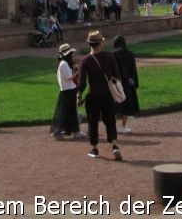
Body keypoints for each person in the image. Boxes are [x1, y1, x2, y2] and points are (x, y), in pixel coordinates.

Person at [78, 30, 123, 160]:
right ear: (100, 43)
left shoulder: (86, 60)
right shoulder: (109, 56)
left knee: (93, 123)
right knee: (110, 120)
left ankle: (95, 148)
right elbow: (116, 75)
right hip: (107, 94)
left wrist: (79, 95)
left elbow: (82, 83)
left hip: (93, 95)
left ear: (90, 44)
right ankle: (115, 146)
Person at [50, 43, 83, 139]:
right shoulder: (64, 64)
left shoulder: (62, 63)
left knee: (67, 112)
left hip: (66, 91)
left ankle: (67, 130)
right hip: (69, 91)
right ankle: (74, 131)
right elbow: (69, 78)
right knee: (70, 112)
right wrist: (78, 71)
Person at [112, 35, 139, 133]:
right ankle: (123, 126)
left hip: (115, 82)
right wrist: (135, 83)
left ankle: (112, 126)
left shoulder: (112, 54)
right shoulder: (130, 54)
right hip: (127, 83)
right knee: (126, 105)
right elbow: (133, 70)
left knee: (114, 105)